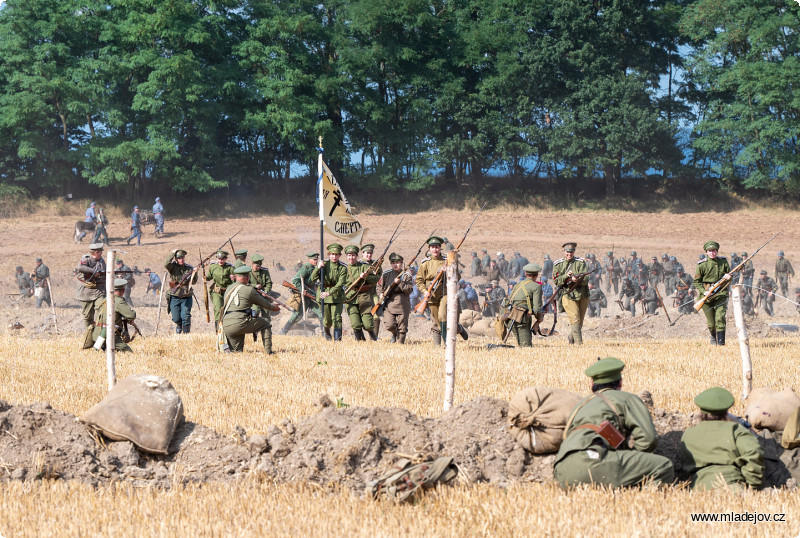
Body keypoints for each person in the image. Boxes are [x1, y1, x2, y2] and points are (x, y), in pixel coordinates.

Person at [554, 358, 674, 488]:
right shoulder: (627, 399)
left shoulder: (580, 405)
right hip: (593, 462)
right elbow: (648, 439)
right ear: (620, 382)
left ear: (591, 384)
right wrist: (631, 455)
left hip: (562, 468)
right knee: (663, 466)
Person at [679, 387, 763, 491]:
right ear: (726, 412)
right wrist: (753, 485)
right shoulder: (736, 430)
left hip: (698, 489)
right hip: (732, 485)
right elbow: (753, 452)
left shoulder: (688, 435)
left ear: (701, 412)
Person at [222, 265, 279, 353]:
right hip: (240, 323)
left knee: (236, 353)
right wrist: (273, 307)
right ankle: (269, 352)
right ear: (248, 277)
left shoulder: (229, 288)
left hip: (226, 325)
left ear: (236, 277)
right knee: (266, 324)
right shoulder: (249, 289)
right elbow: (263, 303)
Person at [693, 241, 731, 345]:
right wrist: (704, 292)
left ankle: (721, 343)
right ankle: (713, 337)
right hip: (706, 297)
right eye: (710, 251)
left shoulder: (723, 262)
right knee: (711, 323)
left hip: (720, 294)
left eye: (714, 250)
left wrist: (729, 277)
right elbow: (696, 282)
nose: (712, 253)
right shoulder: (702, 265)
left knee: (720, 318)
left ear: (717, 251)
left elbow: (729, 276)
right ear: (706, 252)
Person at [86, 279, 137, 352]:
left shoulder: (105, 299)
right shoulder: (118, 301)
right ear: (123, 290)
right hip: (109, 334)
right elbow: (131, 315)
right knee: (129, 353)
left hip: (97, 334)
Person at [553, 242, 590, 345]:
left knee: (579, 323)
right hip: (568, 296)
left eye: (572, 251)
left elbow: (586, 279)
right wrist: (566, 277)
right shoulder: (558, 264)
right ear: (564, 252)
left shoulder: (580, 262)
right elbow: (556, 281)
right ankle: (579, 344)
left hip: (583, 295)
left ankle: (571, 337)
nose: (570, 254)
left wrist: (576, 279)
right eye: (567, 252)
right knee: (575, 319)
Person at [311, 243, 348, 341]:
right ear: (329, 255)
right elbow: (312, 278)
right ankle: (327, 334)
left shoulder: (343, 267)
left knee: (337, 318)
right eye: (332, 254)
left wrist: (329, 293)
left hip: (336, 295)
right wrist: (318, 268)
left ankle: (337, 340)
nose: (334, 256)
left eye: (336, 254)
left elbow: (340, 284)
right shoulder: (324, 264)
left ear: (340, 255)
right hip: (323, 295)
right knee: (327, 321)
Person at [279, 252, 323, 334]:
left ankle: (324, 333)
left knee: (321, 313)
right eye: (314, 260)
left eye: (316, 260)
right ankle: (283, 331)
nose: (316, 261)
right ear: (309, 259)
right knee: (296, 316)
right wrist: (301, 290)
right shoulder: (306, 268)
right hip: (305, 297)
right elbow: (295, 280)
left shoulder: (314, 268)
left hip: (312, 296)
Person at [343, 245, 379, 341]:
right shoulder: (344, 269)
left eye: (353, 255)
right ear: (346, 256)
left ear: (357, 256)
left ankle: (373, 337)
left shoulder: (365, 266)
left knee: (368, 324)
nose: (351, 258)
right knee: (355, 324)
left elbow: (375, 280)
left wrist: (366, 277)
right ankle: (359, 340)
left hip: (364, 297)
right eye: (349, 255)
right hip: (350, 298)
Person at [376, 253, 413, 343]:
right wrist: (380, 294)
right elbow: (379, 287)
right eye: (393, 263)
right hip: (389, 304)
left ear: (401, 263)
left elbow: (409, 290)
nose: (395, 265)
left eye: (397, 262)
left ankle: (400, 345)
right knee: (389, 325)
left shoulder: (406, 275)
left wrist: (400, 283)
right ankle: (395, 334)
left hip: (403, 304)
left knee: (402, 328)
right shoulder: (386, 274)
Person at [503, 263, 543, 347]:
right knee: (526, 347)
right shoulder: (536, 286)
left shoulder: (518, 284)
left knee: (521, 345)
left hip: (510, 317)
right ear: (537, 274)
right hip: (520, 320)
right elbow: (537, 309)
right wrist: (539, 320)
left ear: (525, 274)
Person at [164, 249, 199, 334]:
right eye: (179, 258)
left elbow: (194, 282)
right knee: (176, 318)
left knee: (185, 316)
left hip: (186, 296)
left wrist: (194, 273)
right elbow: (166, 264)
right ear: (175, 259)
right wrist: (172, 253)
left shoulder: (189, 268)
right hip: (174, 295)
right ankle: (179, 325)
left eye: (182, 257)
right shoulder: (172, 267)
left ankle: (186, 333)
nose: (181, 259)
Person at [75, 243, 107, 328]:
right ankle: (89, 333)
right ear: (96, 252)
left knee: (103, 308)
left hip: (99, 291)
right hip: (86, 292)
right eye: (100, 252)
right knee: (88, 316)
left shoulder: (101, 260)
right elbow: (81, 267)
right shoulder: (86, 259)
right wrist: (93, 272)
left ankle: (99, 329)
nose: (101, 253)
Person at [249, 254, 274, 353]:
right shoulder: (248, 272)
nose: (258, 268)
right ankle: (254, 331)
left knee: (267, 319)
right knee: (254, 314)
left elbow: (269, 283)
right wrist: (255, 286)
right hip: (253, 298)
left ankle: (267, 344)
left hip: (264, 297)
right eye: (256, 266)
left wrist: (266, 292)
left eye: (259, 266)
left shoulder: (265, 271)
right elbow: (245, 283)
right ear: (252, 264)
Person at [205, 250, 235, 330]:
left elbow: (235, 281)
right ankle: (218, 330)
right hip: (216, 291)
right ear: (217, 259)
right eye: (219, 259)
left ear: (226, 259)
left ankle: (227, 329)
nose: (221, 261)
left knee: (228, 310)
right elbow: (209, 277)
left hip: (227, 291)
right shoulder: (213, 267)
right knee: (218, 309)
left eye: (223, 259)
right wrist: (205, 277)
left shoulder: (230, 268)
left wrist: (233, 279)